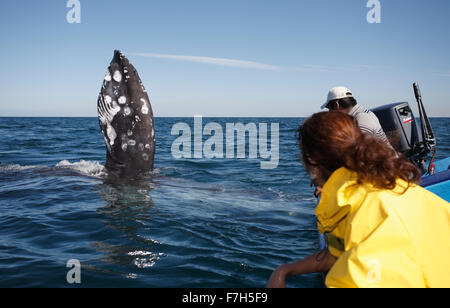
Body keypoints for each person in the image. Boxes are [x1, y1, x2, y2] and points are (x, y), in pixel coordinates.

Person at [267, 111, 450, 288]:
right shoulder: (380, 188)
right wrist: (284, 270)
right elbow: (337, 253)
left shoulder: (373, 215)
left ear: (311, 160)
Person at [322, 87, 390, 144]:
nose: (329, 112)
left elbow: (361, 147)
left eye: (329, 108)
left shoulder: (362, 118)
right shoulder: (359, 115)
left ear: (337, 105)